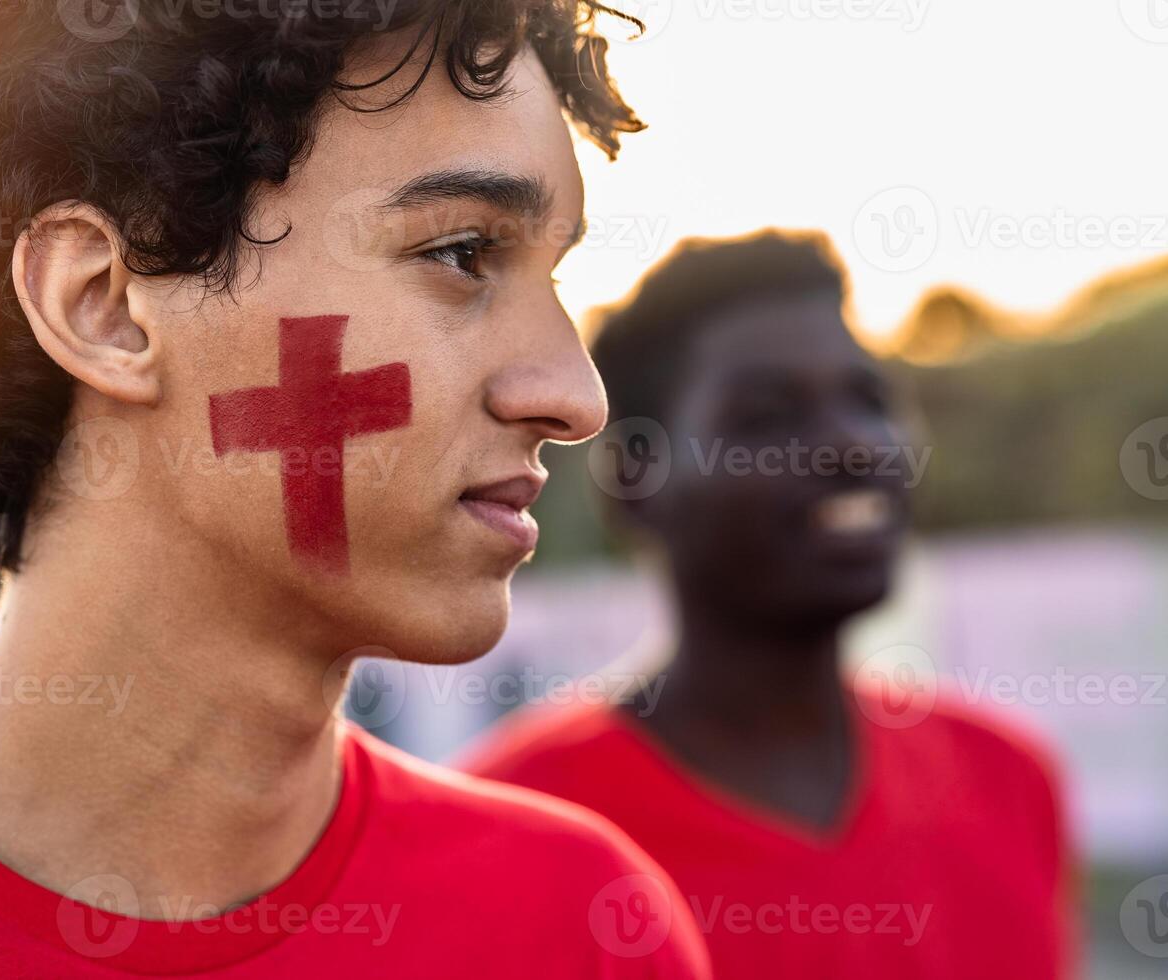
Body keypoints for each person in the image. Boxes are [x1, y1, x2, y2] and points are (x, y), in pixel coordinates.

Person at [0, 1, 712, 976]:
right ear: (103, 307)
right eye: (461, 253)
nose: (576, 396)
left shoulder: (575, 927)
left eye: (553, 274)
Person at [460, 230, 1076, 978]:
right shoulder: (506, 832)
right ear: (634, 478)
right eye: (766, 416)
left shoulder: (1006, 779)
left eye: (869, 399)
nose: (853, 445)